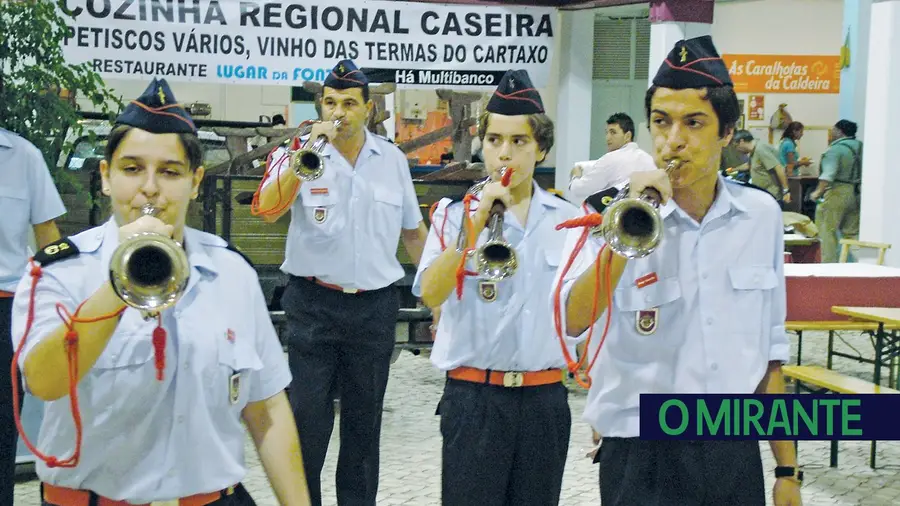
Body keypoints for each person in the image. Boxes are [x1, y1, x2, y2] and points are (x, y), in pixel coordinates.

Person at [11, 78, 311, 506]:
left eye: (170, 172)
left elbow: (266, 410)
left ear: (195, 180)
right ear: (106, 178)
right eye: (132, 169)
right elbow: (45, 382)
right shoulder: (61, 271)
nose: (150, 188)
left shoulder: (231, 273)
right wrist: (119, 282)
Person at [553, 36, 802, 506]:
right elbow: (573, 318)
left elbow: (770, 353)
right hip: (640, 446)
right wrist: (627, 230)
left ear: (727, 133)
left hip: (731, 443)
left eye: (694, 123)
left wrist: (787, 470)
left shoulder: (760, 216)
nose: (674, 140)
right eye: (661, 123)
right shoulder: (611, 215)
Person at [253, 59, 428, 506]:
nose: (339, 112)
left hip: (372, 309)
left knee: (363, 429)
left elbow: (412, 233)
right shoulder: (298, 152)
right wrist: (303, 154)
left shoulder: (391, 161)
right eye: (331, 102)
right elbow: (269, 209)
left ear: (368, 109)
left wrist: (437, 297)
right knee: (308, 423)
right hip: (312, 305)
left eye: (350, 104)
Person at [414, 69, 580, 506]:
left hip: (543, 399)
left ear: (540, 147)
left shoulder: (567, 220)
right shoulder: (452, 215)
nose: (504, 153)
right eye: (494, 140)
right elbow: (430, 293)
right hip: (474, 399)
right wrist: (472, 229)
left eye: (519, 141)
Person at [0, 127, 67, 506]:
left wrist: (56, 302)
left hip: (5, 308)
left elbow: (48, 235)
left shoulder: (23, 156)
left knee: (2, 428)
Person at [568, 112, 657, 204]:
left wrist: (575, 176)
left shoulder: (610, 159)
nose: (607, 138)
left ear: (627, 136)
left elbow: (579, 190)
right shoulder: (649, 159)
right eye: (607, 133)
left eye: (613, 132)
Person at [811, 119, 862, 263]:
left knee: (827, 231)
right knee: (851, 233)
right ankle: (859, 264)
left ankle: (829, 267)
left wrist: (817, 193)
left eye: (833, 129)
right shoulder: (861, 147)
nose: (831, 132)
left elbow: (828, 174)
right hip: (856, 192)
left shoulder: (835, 149)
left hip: (837, 192)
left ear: (840, 131)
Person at [733, 129, 792, 207]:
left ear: (741, 141)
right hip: (763, 196)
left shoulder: (760, 149)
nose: (737, 150)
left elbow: (778, 167)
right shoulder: (753, 151)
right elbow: (749, 165)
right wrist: (733, 169)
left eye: (736, 146)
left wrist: (786, 191)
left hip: (771, 197)